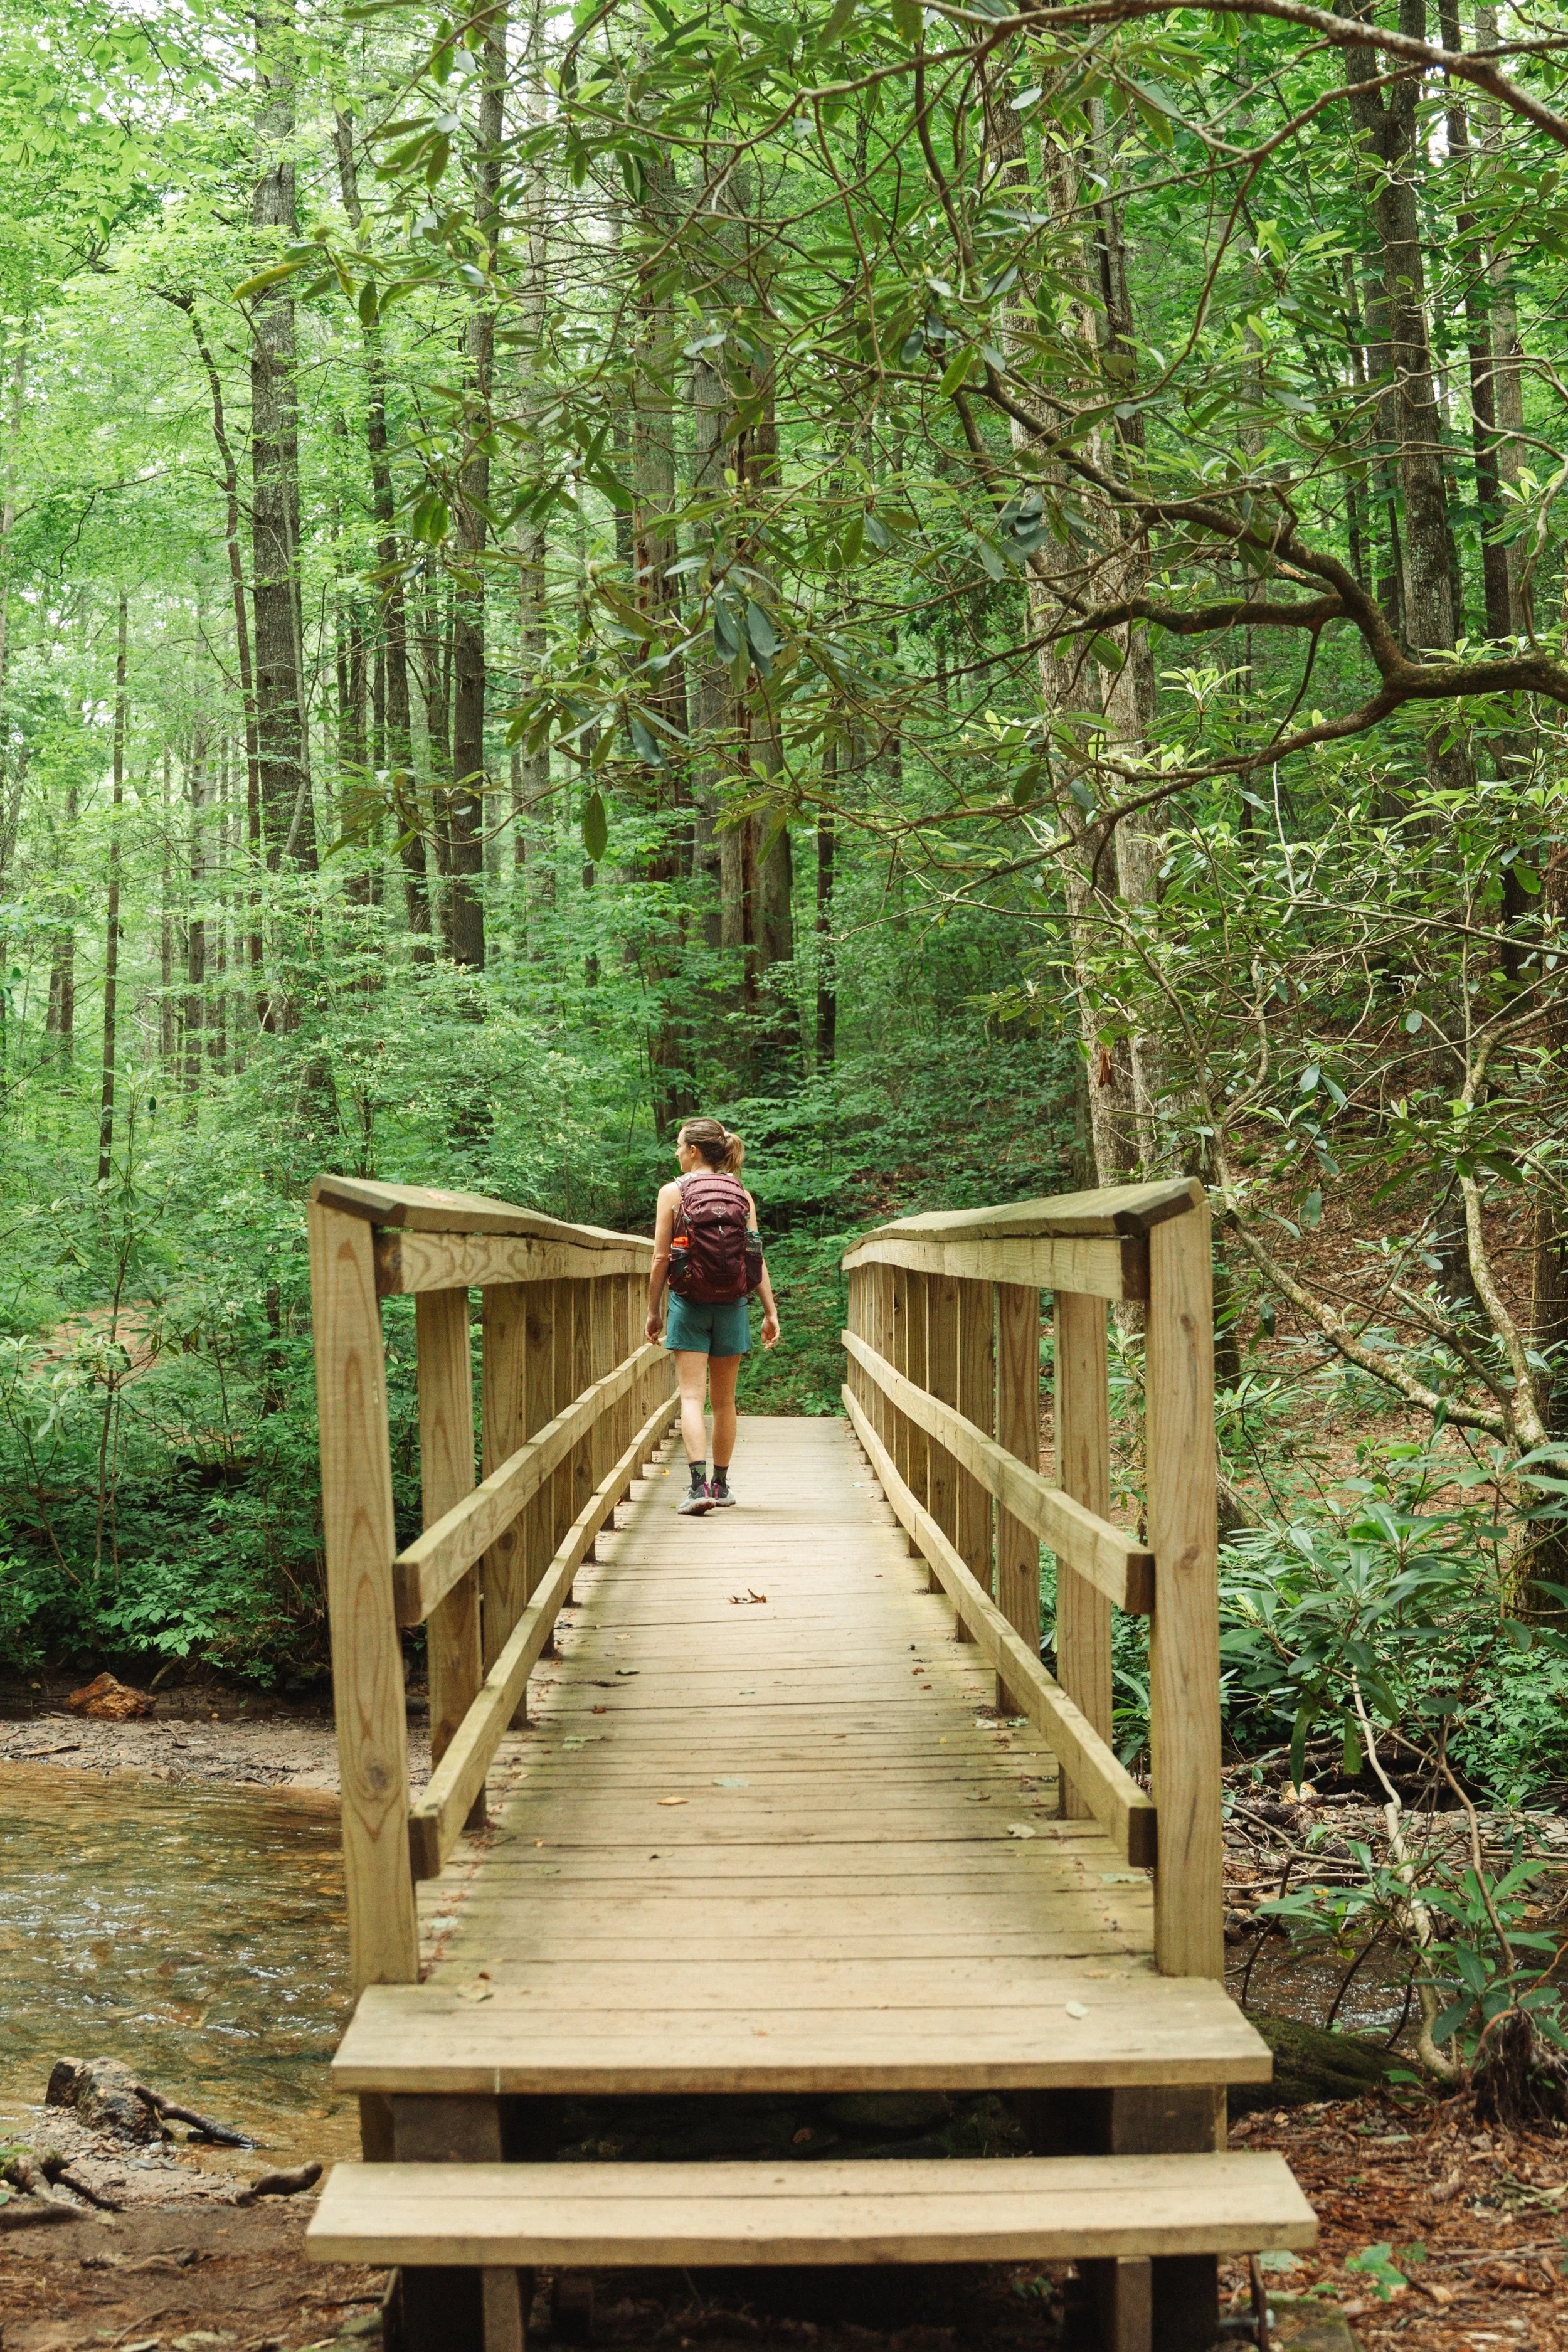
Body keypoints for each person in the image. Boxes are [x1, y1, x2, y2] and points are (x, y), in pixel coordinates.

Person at [645, 1118, 780, 1513]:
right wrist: (770, 1312)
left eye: (679, 1146)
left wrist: (654, 1310)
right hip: (734, 1306)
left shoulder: (673, 1192)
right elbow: (754, 1258)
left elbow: (660, 1257)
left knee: (691, 1396)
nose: (676, 1152)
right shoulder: (742, 1193)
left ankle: (697, 1486)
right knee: (725, 1402)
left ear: (694, 1151)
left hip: (688, 1304)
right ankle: (721, 1486)